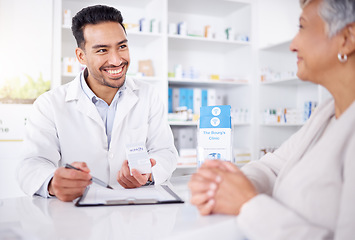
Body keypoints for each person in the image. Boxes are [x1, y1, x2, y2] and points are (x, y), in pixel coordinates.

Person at [188, 0, 355, 239]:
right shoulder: (327, 113)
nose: (292, 45)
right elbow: (272, 166)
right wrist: (222, 184)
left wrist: (247, 203)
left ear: (347, 39)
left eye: (302, 27)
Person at [17, 5, 178, 202]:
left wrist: (149, 173)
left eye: (122, 46)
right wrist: (52, 182)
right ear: (81, 56)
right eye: (102, 50)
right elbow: (32, 164)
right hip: (77, 218)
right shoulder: (49, 104)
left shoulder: (148, 95)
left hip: (135, 213)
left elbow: (165, 152)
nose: (117, 60)